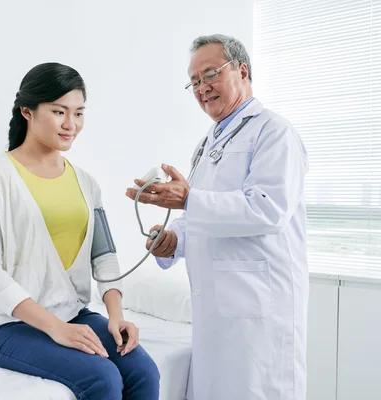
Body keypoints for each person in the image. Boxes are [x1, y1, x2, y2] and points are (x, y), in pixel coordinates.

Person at [125, 35, 309, 399]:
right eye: (194, 82)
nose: (202, 88)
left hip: (258, 306)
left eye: (210, 74)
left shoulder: (275, 133)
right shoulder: (210, 142)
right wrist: (173, 240)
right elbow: (205, 213)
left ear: (242, 70)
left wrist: (190, 199)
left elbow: (267, 209)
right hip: (218, 308)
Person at [0, 62, 159, 400]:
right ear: (27, 111)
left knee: (144, 372)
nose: (71, 124)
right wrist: (56, 329)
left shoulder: (86, 182)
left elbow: (105, 255)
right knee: (101, 379)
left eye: (79, 113)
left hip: (74, 314)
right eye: (59, 112)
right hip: (7, 328)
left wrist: (116, 316)